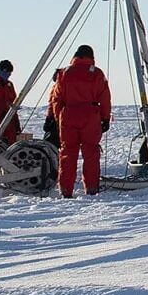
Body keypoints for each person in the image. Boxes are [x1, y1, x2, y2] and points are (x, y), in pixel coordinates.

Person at [50, 44, 112, 198]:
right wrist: (105, 118)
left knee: (67, 154)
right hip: (90, 116)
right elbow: (105, 98)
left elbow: (56, 99)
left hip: (68, 114)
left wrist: (59, 118)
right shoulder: (97, 73)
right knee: (91, 153)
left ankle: (65, 190)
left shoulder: (64, 73)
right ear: (91, 57)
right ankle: (91, 189)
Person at [41, 69, 63, 148]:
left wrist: (49, 117)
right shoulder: (58, 87)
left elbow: (53, 104)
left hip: (57, 118)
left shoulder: (57, 88)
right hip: (59, 118)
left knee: (51, 142)